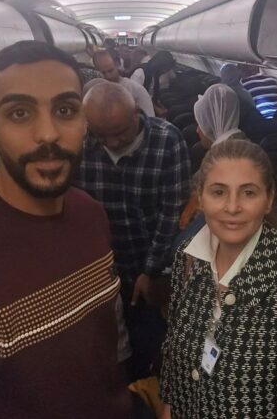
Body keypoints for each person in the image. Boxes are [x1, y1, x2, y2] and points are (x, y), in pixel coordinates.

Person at [0, 40, 131, 417]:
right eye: (19, 113)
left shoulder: (91, 215)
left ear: (84, 121)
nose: (47, 134)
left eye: (65, 110)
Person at [160, 139, 277, 418]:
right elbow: (174, 376)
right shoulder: (187, 261)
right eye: (219, 192)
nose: (232, 207)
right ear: (200, 198)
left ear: (269, 199)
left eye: (248, 193)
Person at [76, 80, 191, 380]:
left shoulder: (167, 140)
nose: (112, 143)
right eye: (102, 135)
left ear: (136, 113)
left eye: (120, 132)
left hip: (152, 265)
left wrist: (151, 270)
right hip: (101, 270)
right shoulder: (82, 144)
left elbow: (171, 214)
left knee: (152, 344)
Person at [93, 50, 155, 117]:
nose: (108, 76)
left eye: (110, 71)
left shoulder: (136, 89)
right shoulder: (95, 92)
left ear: (117, 65)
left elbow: (150, 118)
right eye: (103, 73)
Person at [194, 83, 247, 148]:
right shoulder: (248, 145)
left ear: (212, 125)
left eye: (200, 124)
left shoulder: (220, 153)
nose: (197, 130)